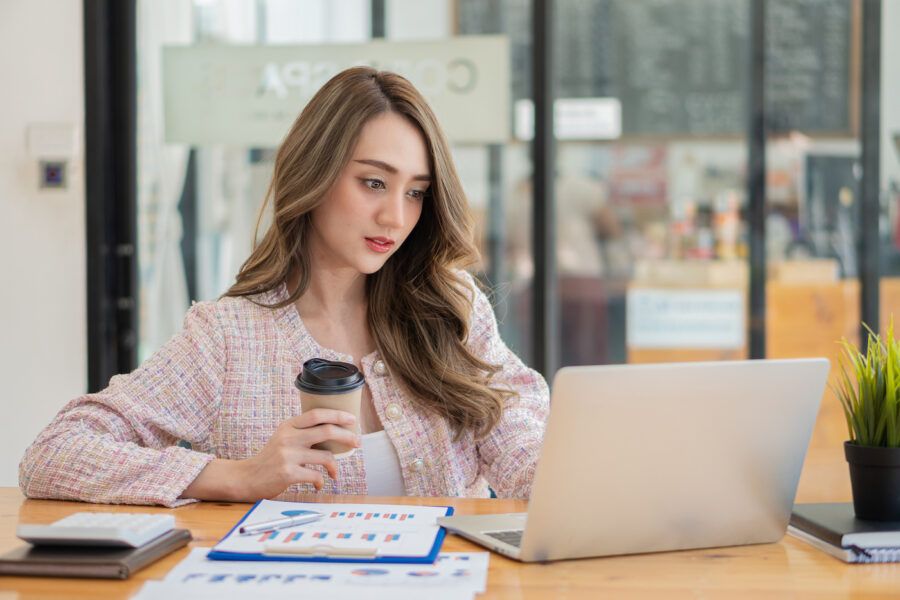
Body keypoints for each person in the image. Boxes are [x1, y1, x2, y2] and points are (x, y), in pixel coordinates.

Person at [18, 67, 549, 507]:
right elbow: (56, 453)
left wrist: (559, 484)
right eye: (372, 182)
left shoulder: (450, 308)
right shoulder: (228, 337)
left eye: (416, 192)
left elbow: (518, 429)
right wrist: (234, 477)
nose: (395, 216)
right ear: (314, 175)